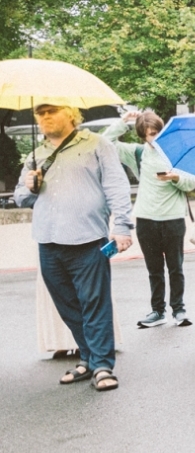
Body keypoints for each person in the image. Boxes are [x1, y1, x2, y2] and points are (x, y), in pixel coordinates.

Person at [15, 102, 134, 391]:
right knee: (68, 306)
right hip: (48, 240)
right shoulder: (36, 154)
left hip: (87, 239)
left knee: (94, 303)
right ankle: (89, 358)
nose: (44, 118)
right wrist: (30, 187)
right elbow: (20, 198)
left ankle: (103, 365)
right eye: (40, 114)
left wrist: (121, 227)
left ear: (70, 113)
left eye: (51, 111)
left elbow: (117, 186)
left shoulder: (97, 144)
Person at [108, 110, 195, 328]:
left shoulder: (176, 152)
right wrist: (123, 122)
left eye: (158, 132)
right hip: (146, 219)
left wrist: (176, 177)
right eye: (150, 134)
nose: (155, 137)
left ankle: (179, 309)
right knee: (154, 269)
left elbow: (193, 183)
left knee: (175, 267)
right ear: (142, 135)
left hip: (173, 218)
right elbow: (106, 143)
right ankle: (157, 311)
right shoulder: (137, 153)